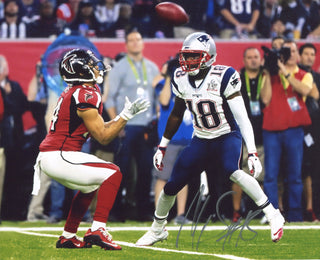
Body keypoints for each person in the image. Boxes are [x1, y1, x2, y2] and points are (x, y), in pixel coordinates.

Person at [136, 32, 285, 247]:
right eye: (186, 56)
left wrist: (251, 152)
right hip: (201, 139)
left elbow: (242, 118)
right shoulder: (180, 77)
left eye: (194, 56)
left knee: (231, 170)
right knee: (171, 186)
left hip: (226, 135)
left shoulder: (224, 76)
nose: (188, 61)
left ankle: (273, 214)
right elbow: (176, 113)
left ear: (209, 56)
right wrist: (162, 146)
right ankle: (157, 229)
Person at [31, 48, 150, 249]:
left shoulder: (76, 91)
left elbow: (101, 127)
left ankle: (68, 236)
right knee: (113, 173)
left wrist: (122, 115)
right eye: (92, 65)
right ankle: (98, 229)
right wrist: (126, 117)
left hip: (54, 155)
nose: (97, 68)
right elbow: (103, 137)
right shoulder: (86, 93)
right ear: (81, 71)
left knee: (91, 186)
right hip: (60, 154)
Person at [105, 30, 159, 221]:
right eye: (131, 40)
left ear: (143, 43)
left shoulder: (152, 67)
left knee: (146, 171)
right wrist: (116, 125)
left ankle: (143, 211)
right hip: (125, 127)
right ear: (126, 45)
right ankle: (115, 211)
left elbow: (158, 97)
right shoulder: (119, 68)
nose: (135, 43)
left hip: (146, 127)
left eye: (138, 39)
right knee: (121, 171)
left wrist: (157, 118)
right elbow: (108, 99)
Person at [261, 39, 313, 222]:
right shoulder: (270, 74)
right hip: (271, 130)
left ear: (297, 55)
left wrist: (285, 72)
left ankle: (296, 214)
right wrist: (268, 72)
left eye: (292, 50)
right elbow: (265, 99)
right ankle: (272, 213)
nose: (290, 54)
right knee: (271, 175)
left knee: (294, 175)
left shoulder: (304, 74)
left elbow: (305, 90)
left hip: (294, 130)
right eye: (286, 51)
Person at [153, 55, 193, 225]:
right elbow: (163, 100)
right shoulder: (163, 84)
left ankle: (181, 214)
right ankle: (158, 214)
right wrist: (169, 76)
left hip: (187, 138)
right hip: (169, 139)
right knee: (162, 177)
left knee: (182, 177)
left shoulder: (190, 84)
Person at [232, 47, 265, 222]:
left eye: (256, 57)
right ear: (244, 60)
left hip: (262, 132)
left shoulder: (265, 77)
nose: (253, 60)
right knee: (239, 174)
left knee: (260, 174)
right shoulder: (236, 78)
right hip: (241, 135)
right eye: (250, 57)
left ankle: (259, 210)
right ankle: (236, 211)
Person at [299, 43, 320, 221]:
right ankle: (301, 209)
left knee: (313, 170)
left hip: (315, 129)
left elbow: (316, 96)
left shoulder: (316, 76)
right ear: (300, 56)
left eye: (312, 54)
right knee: (298, 171)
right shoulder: (296, 74)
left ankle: (312, 209)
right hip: (298, 127)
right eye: (306, 54)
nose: (309, 57)